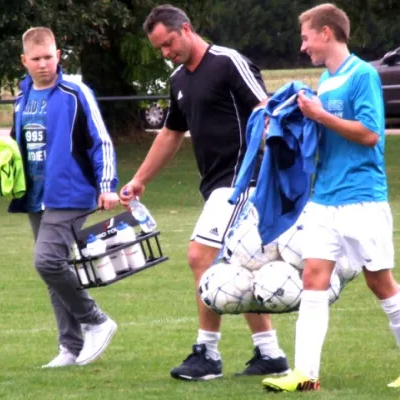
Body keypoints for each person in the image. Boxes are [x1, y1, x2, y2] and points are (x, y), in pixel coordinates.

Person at [262, 3, 400, 392]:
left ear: (327, 33)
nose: (303, 46)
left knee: (380, 281)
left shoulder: (363, 75)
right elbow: (323, 134)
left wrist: (321, 116)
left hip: (362, 197)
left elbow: (370, 134)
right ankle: (306, 373)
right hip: (323, 198)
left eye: (306, 37)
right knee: (313, 278)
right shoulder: (324, 81)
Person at [119, 5, 289, 381]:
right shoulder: (178, 79)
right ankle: (270, 354)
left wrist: (271, 173)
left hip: (245, 183)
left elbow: (266, 111)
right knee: (237, 268)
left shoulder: (228, 62)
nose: (166, 53)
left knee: (200, 257)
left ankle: (207, 354)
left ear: (187, 29)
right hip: (215, 186)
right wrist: (140, 179)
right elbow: (170, 133)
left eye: (168, 43)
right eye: (159, 49)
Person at [8, 27, 119, 368]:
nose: (44, 64)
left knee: (47, 261)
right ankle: (70, 348)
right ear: (24, 60)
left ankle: (96, 320)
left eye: (49, 57)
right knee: (54, 269)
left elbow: (100, 139)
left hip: (72, 193)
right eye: (36, 59)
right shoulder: (21, 99)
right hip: (36, 195)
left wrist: (106, 185)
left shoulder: (75, 92)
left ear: (59, 56)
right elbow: (16, 146)